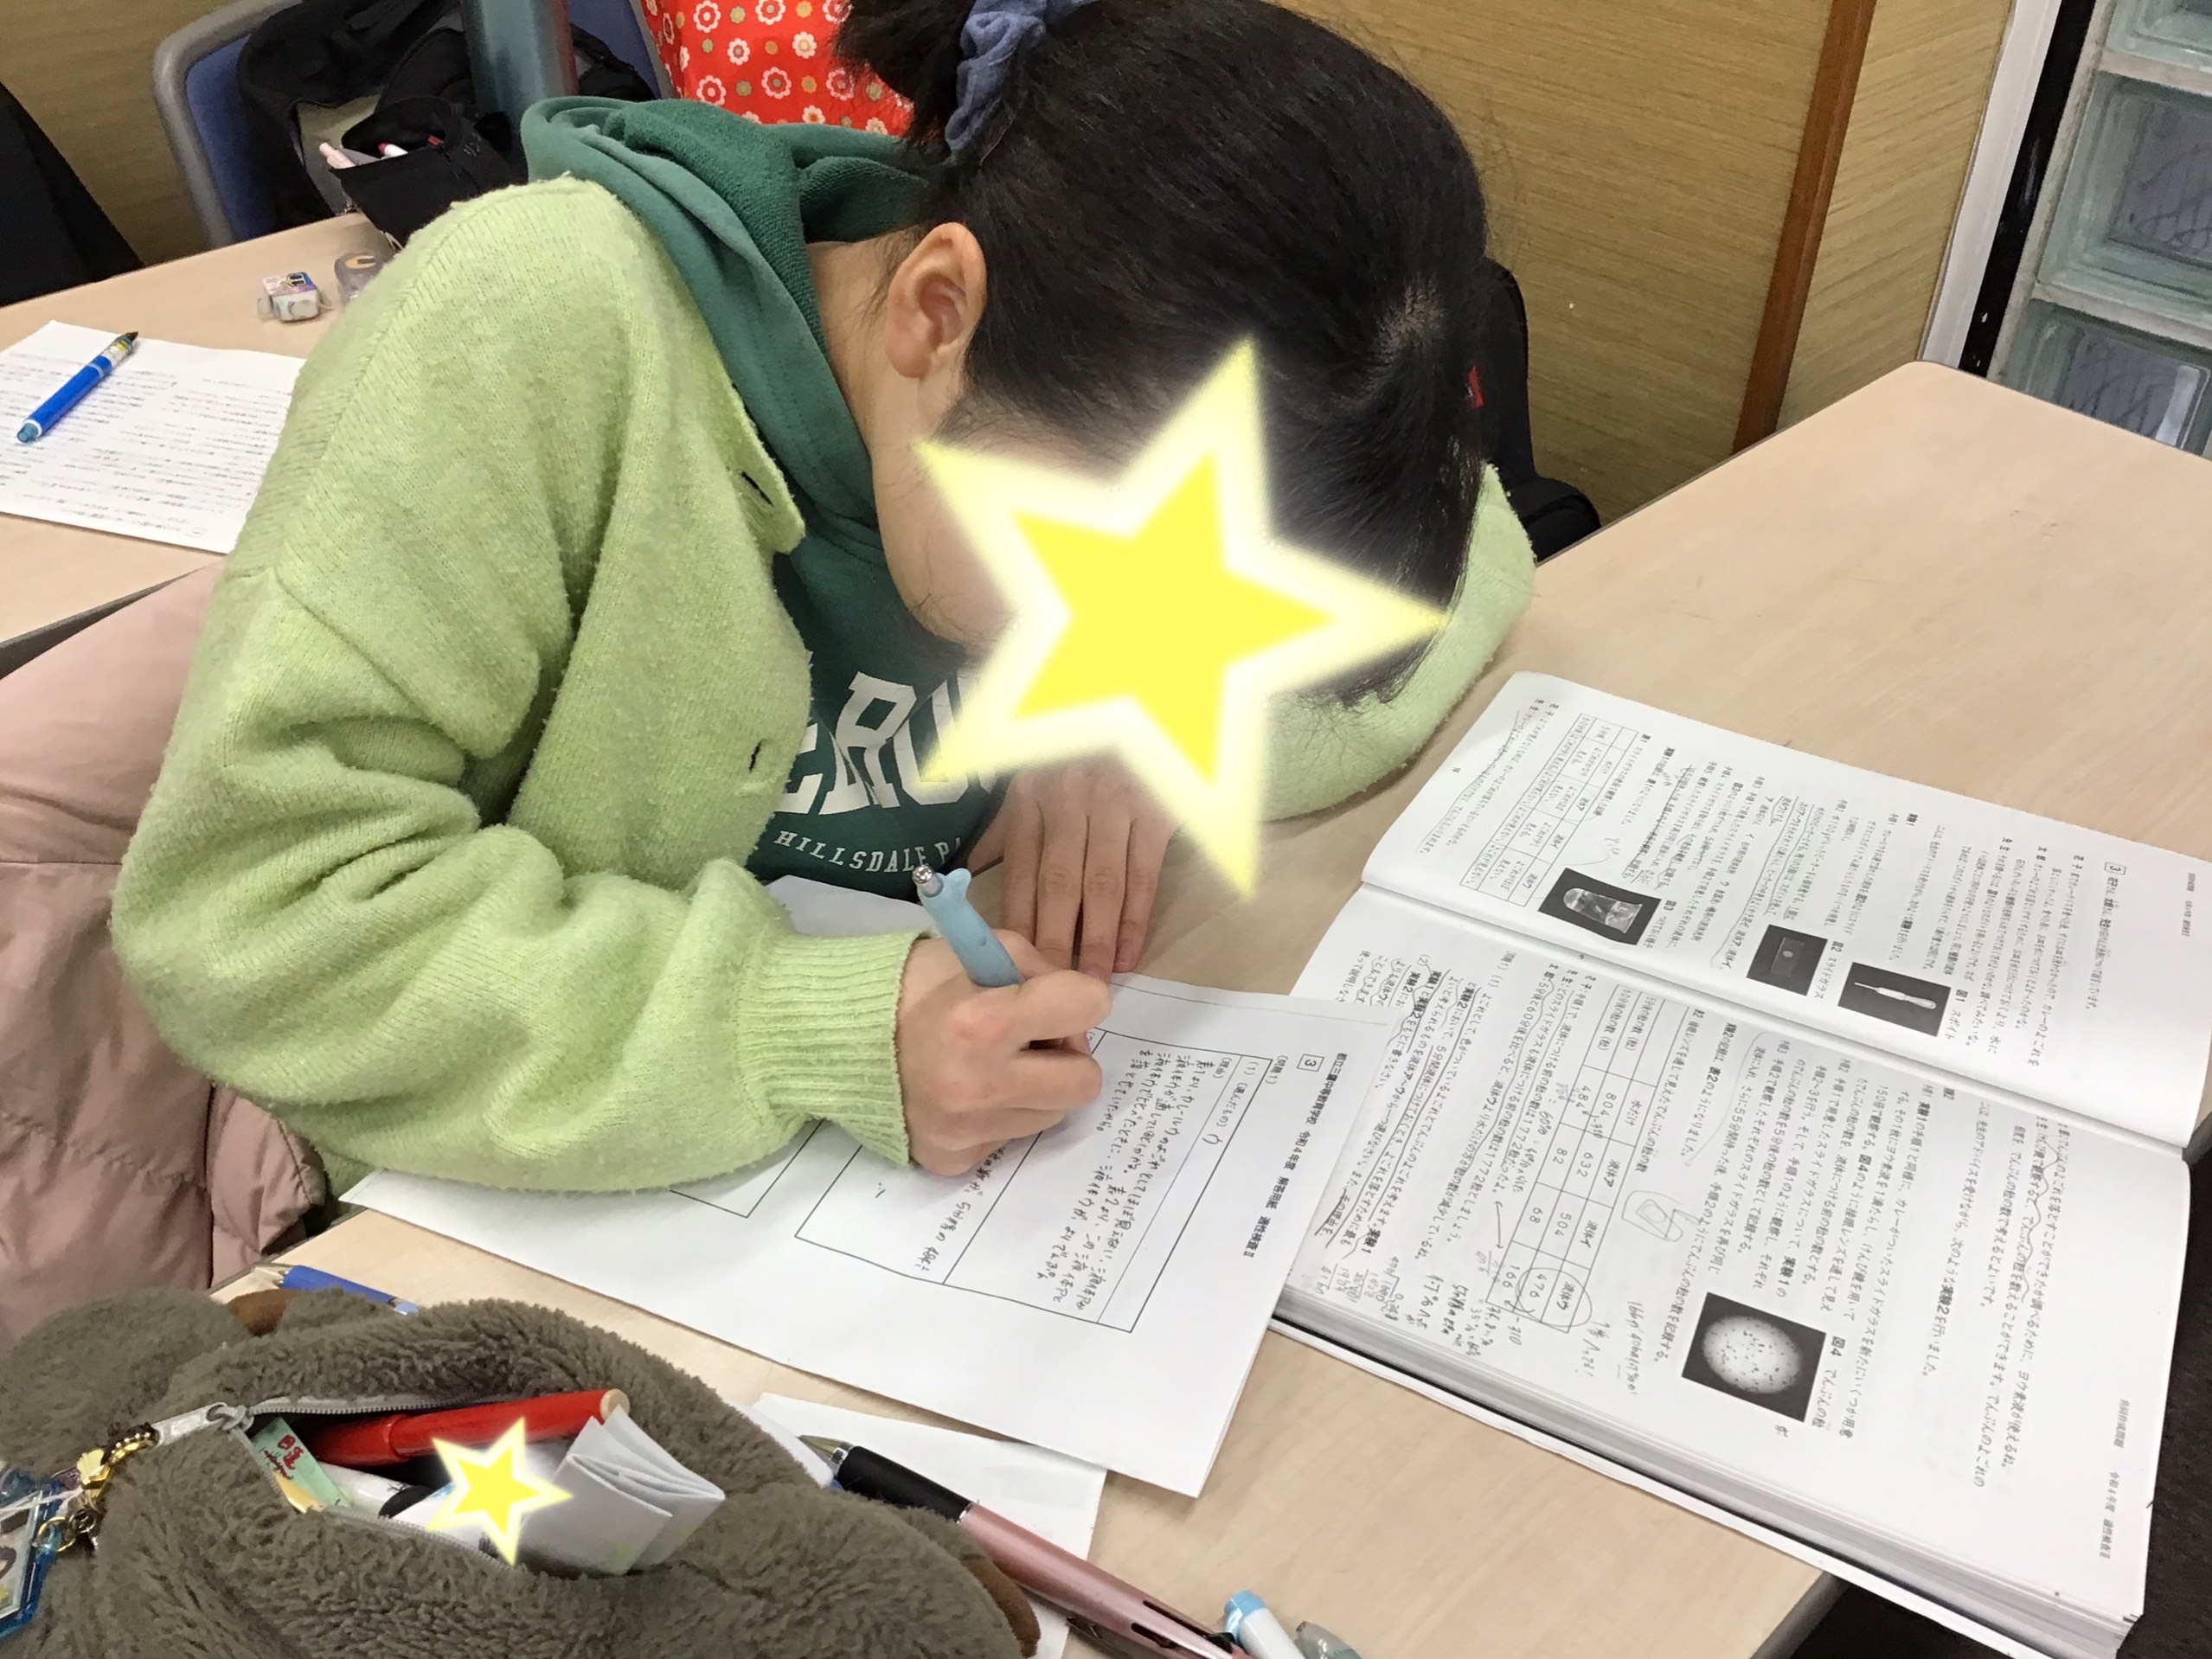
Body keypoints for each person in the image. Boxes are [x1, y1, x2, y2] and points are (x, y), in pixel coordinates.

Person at [110, 0, 1534, 1198]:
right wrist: (800, 1030)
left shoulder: (1122, 426)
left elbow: (1472, 559)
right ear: (935, 312)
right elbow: (256, 921)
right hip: (497, 1195)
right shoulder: (531, 332)